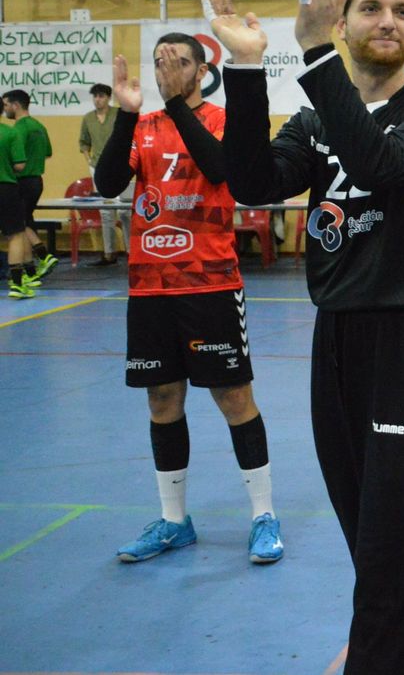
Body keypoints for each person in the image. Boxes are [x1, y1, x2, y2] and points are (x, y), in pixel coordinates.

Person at [208, 0, 404, 674]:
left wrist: (317, 50)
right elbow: (253, 183)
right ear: (344, 15)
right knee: (382, 554)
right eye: (371, 7)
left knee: (389, 568)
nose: (388, 21)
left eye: (402, 11)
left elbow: (379, 167)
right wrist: (246, 67)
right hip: (338, 347)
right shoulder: (314, 118)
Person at [93, 36, 281, 565]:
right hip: (150, 289)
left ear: (201, 71)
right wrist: (128, 116)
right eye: (158, 62)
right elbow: (109, 184)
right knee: (161, 400)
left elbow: (221, 169)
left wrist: (177, 104)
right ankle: (175, 521)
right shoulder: (145, 127)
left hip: (212, 284)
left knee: (233, 398)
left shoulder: (222, 120)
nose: (165, 69)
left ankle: (263, 515)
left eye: (177, 62)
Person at [4, 90, 56, 282]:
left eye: (7, 104)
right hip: (37, 180)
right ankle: (30, 270)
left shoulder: (17, 129)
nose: (5, 109)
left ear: (15, 105)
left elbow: (16, 159)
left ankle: (43, 255)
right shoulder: (39, 126)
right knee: (25, 221)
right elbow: (48, 153)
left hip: (21, 180)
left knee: (19, 226)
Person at [80, 82, 129, 266]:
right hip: (97, 167)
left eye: (101, 96)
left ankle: (131, 250)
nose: (97, 100)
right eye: (95, 96)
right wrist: (89, 161)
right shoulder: (88, 118)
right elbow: (83, 142)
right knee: (106, 211)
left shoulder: (118, 114)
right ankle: (110, 252)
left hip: (119, 165)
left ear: (109, 98)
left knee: (125, 211)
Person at [2, 114, 32, 299]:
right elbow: (20, 165)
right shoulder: (10, 133)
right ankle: (17, 284)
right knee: (16, 234)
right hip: (5, 187)